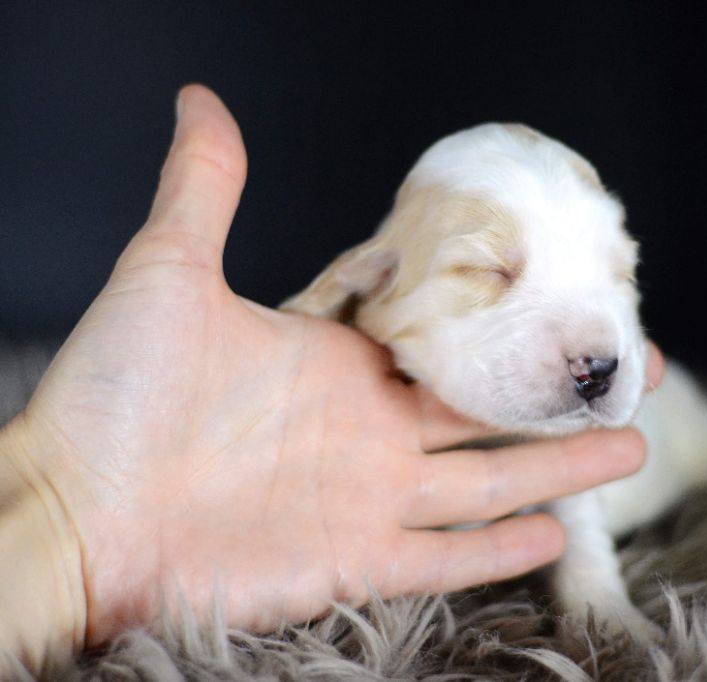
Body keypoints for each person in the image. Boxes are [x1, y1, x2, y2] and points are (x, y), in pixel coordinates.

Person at [0, 85, 663, 676]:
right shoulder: (315, 372)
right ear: (372, 280)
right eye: (492, 271)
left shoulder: (589, 375)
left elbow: (575, 507)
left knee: (689, 449)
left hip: (631, 451)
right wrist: (67, 522)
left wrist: (593, 590)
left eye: (617, 273)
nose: (596, 349)